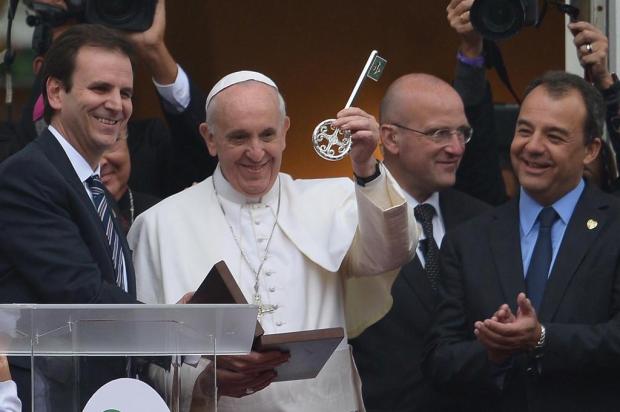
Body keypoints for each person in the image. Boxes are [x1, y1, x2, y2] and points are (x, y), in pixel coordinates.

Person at [128, 70, 417, 411]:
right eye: (238, 137)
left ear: (285, 132)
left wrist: (366, 165)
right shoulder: (158, 225)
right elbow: (145, 359)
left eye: (267, 135)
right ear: (209, 138)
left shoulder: (335, 200)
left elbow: (393, 251)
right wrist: (206, 382)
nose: (256, 152)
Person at [423, 71, 620, 411]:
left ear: (590, 150)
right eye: (524, 130)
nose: (532, 146)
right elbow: (440, 359)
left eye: (554, 136)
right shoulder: (468, 240)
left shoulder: (614, 226)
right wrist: (493, 352)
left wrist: (543, 339)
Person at [0, 24, 140, 410]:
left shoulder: (93, 190)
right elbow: (82, 295)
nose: (117, 104)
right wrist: (178, 332)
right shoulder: (26, 176)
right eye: (100, 89)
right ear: (56, 92)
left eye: (125, 93)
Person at [349, 73, 490, 412]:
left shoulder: (484, 222)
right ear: (391, 138)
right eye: (439, 133)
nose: (456, 148)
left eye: (462, 133)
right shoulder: (345, 219)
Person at [1, 0, 216, 198]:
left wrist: (154, 51)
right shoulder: (14, 149)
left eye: (123, 92)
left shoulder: (150, 145)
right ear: (48, 81)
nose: (98, 162)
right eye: (98, 87)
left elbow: (210, 155)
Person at [100, 132, 160, 234]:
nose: (101, 163)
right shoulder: (67, 221)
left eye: (109, 145)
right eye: (83, 151)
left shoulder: (161, 214)